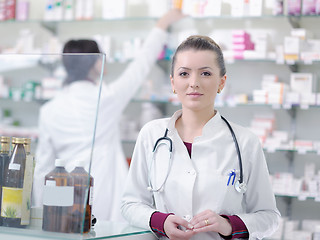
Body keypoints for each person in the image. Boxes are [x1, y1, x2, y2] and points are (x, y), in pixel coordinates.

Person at [121, 35, 281, 240]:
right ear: (173, 82)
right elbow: (130, 204)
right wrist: (159, 221)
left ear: (222, 82)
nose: (193, 83)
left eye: (205, 73)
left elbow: (269, 217)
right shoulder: (152, 134)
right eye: (184, 73)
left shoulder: (245, 142)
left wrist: (228, 225)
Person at [32, 9, 185, 222]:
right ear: (96, 63)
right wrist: (161, 25)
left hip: (61, 194)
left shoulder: (49, 109)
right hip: (101, 189)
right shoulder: (106, 98)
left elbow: (43, 168)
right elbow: (140, 65)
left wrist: (40, 214)